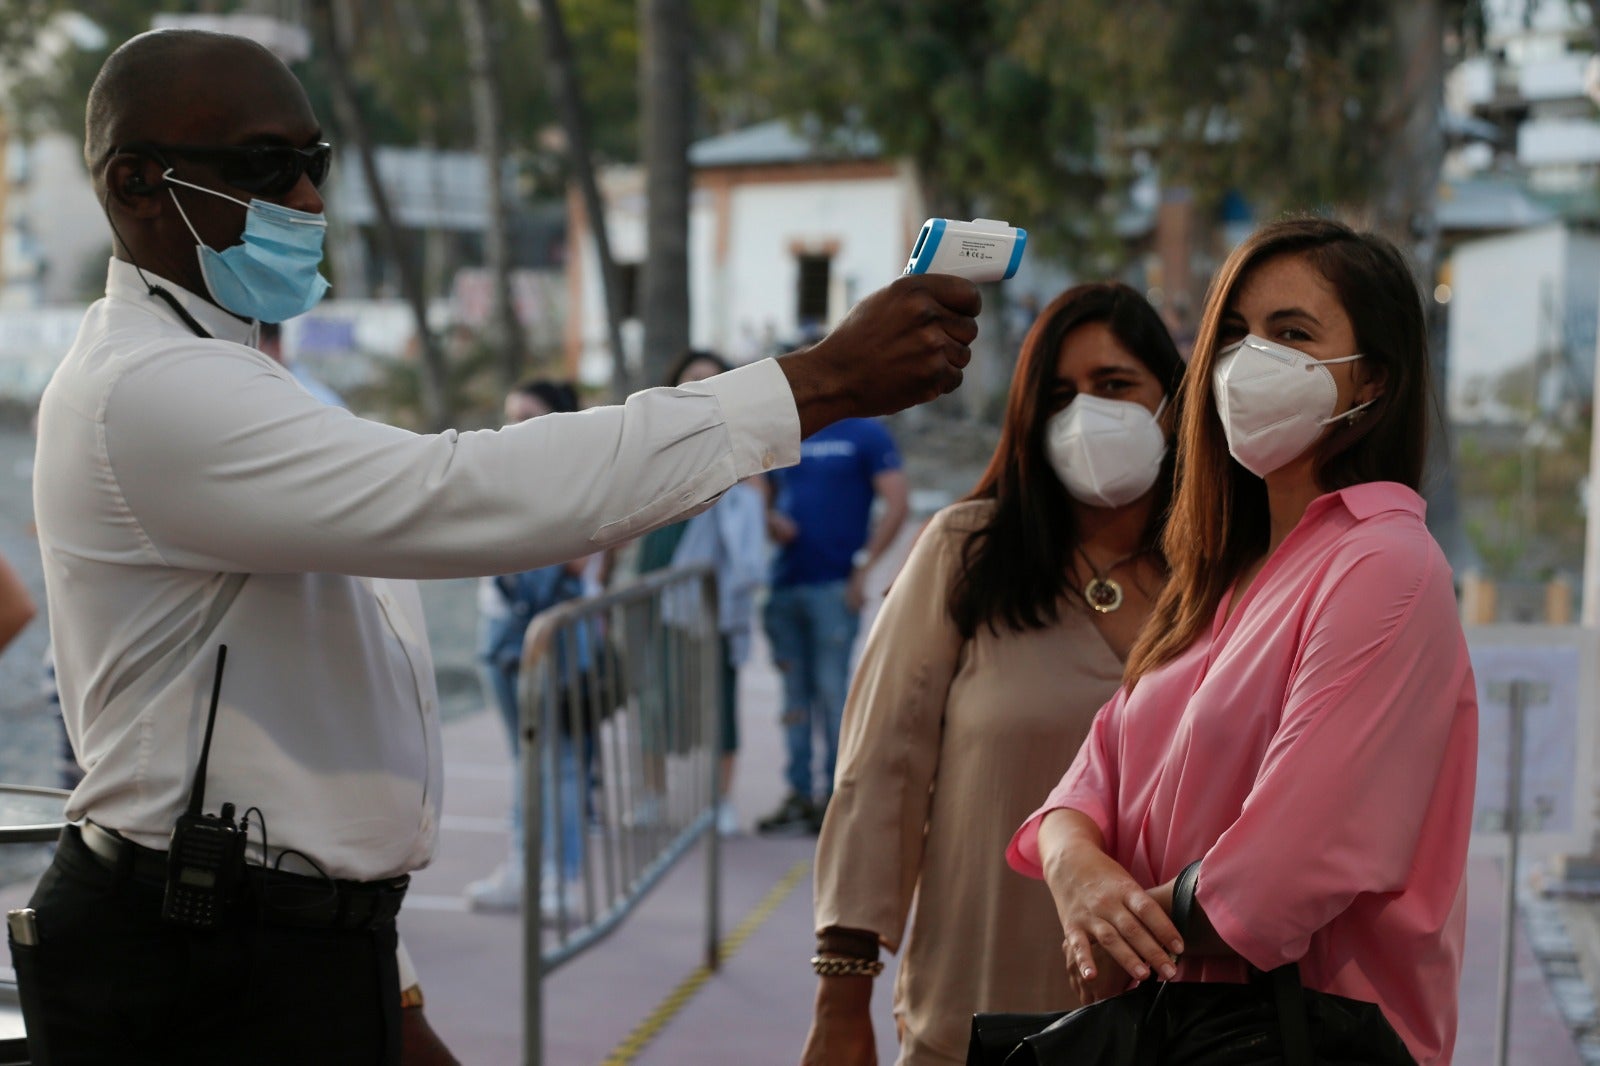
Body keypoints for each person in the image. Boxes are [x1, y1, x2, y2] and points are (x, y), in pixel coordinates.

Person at [26, 28, 980, 1065]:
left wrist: (382, 981)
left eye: (316, 163)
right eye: (263, 167)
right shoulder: (152, 388)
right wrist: (813, 384)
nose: (305, 199)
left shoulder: (233, 372)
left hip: (268, 933)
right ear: (135, 185)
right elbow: (460, 493)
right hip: (198, 946)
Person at [1008, 217, 1477, 1066]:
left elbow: (1290, 863)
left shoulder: (1385, 565)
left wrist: (1119, 930)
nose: (1245, 361)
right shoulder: (1222, 575)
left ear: (1372, 376)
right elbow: (1092, 774)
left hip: (1301, 1032)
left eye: (1290, 333)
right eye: (1230, 334)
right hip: (1181, 1027)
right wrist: (1076, 867)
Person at [803, 284, 1185, 1065]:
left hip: (1178, 1027)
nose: (1087, 415)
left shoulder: (1225, 578)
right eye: (1059, 396)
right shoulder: (965, 554)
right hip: (974, 1016)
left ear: (1172, 404)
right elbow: (880, 774)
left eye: (1115, 386)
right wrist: (844, 996)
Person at [465, 379, 594, 915]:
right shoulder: (505, 477)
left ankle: (560, 879)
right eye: (511, 414)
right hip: (501, 636)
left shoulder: (576, 482)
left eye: (530, 415)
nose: (515, 426)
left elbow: (581, 558)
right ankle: (524, 868)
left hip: (548, 639)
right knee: (524, 761)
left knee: (559, 761)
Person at [635, 350, 769, 836]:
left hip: (715, 586)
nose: (702, 387)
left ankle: (720, 801)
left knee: (719, 695)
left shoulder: (745, 439)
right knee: (655, 695)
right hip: (660, 572)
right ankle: (652, 795)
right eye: (693, 378)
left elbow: (756, 504)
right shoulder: (653, 437)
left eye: (713, 380)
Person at [758, 414, 910, 836]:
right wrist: (771, 519)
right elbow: (759, 494)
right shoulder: (786, 430)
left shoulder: (865, 433)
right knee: (793, 697)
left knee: (832, 692)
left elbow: (898, 503)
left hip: (834, 587)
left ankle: (838, 799)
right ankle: (799, 795)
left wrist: (864, 566)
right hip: (785, 585)